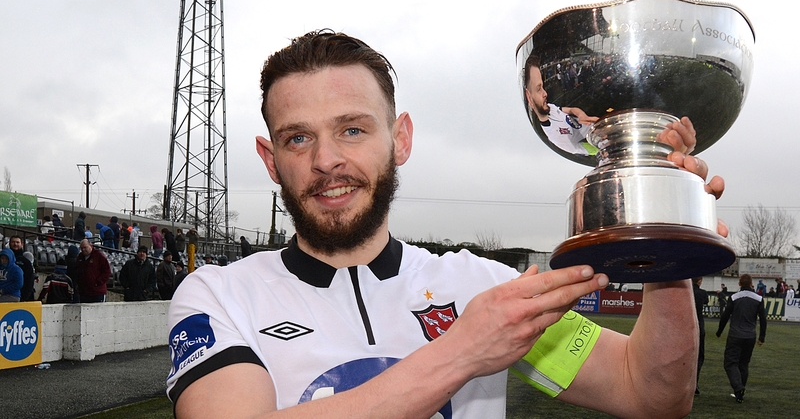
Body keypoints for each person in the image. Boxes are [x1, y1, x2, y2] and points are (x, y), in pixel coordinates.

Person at [166, 30, 725, 418]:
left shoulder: (481, 289)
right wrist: (464, 350)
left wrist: (667, 249)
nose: (326, 160)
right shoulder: (219, 295)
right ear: (270, 159)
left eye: (353, 130)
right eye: (298, 137)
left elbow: (651, 396)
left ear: (400, 138)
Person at [524, 54, 598, 156]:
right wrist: (603, 145)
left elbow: (571, 110)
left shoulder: (551, 108)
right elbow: (590, 150)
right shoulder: (556, 138)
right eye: (538, 89)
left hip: (596, 124)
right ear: (529, 98)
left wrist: (582, 116)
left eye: (543, 87)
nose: (545, 93)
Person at [716, 274, 767, 403]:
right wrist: (762, 337)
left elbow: (725, 316)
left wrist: (719, 331)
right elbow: (763, 320)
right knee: (743, 364)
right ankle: (740, 394)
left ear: (739, 284)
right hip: (750, 336)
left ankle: (738, 388)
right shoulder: (759, 299)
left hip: (735, 335)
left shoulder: (734, 297)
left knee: (730, 363)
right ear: (751, 284)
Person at [692, 277, 709, 395]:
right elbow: (706, 301)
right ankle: (695, 383)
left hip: (685, 326)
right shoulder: (702, 293)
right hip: (699, 326)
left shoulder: (685, 292)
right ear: (699, 281)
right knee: (699, 356)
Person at [9, 235, 35, 301]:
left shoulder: (26, 262)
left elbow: (29, 281)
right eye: (13, 242)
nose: (15, 244)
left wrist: (24, 298)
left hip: (23, 297)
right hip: (7, 295)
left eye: (17, 242)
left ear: (22, 244)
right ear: (9, 244)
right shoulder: (4, 260)